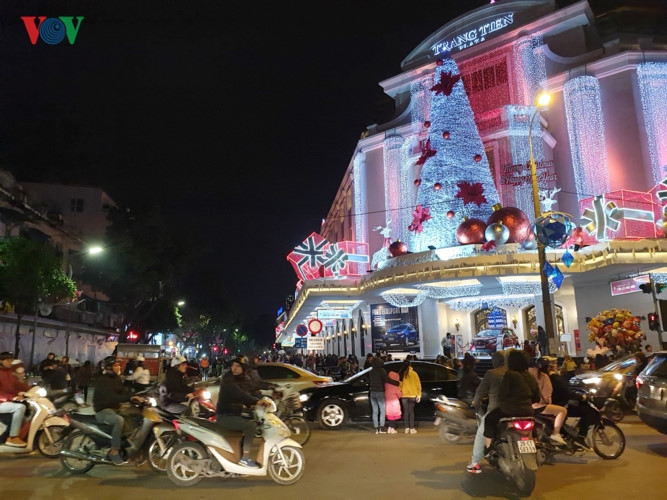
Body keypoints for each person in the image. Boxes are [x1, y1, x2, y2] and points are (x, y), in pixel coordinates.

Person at [215, 357, 271, 468]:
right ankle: (245, 458)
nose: (234, 368)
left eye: (238, 366)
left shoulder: (240, 379)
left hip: (234, 413)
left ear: (243, 368)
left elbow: (251, 388)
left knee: (251, 420)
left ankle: (238, 457)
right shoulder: (228, 380)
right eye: (233, 366)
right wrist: (256, 401)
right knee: (251, 426)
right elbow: (239, 394)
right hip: (225, 416)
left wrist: (267, 392)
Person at [483, 350, 540, 450]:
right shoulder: (530, 376)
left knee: (489, 419)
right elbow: (536, 397)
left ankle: (488, 447)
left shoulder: (510, 374)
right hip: (527, 411)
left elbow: (502, 393)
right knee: (533, 425)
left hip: (509, 410)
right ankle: (535, 441)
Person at [467, 350, 506, 474]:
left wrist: (475, 402)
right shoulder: (513, 372)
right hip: (514, 408)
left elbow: (481, 391)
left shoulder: (491, 373)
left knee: (481, 434)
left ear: (494, 362)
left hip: (495, 409)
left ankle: (475, 463)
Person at [92, 356, 134, 464]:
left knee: (133, 418)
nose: (118, 367)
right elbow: (112, 397)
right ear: (109, 367)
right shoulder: (103, 380)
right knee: (118, 420)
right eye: (116, 365)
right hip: (103, 411)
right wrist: (128, 398)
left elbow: (123, 392)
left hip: (115, 408)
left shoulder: (117, 378)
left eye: (118, 365)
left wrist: (136, 396)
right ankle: (114, 450)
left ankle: (130, 448)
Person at [548, 358, 599, 446]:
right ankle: (581, 437)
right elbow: (565, 392)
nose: (556, 365)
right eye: (554, 363)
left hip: (549, 404)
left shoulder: (544, 376)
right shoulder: (554, 378)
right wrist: (580, 397)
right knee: (587, 411)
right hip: (559, 404)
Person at [528, 358, 567, 445]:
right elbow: (547, 395)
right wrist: (548, 402)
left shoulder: (523, 376)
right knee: (562, 411)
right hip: (539, 406)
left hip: (525, 407)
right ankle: (555, 433)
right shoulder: (543, 377)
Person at [0, 352, 30, 447]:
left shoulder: (9, 372)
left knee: (27, 408)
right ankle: (13, 437)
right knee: (20, 408)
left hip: (6, 401)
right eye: (7, 360)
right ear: (1, 361)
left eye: (11, 360)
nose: (10, 362)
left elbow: (16, 385)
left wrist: (31, 389)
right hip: (1, 402)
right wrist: (13, 397)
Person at [369, 356, 399, 434]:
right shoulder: (381, 370)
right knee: (382, 410)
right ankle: (382, 428)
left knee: (375, 411)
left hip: (372, 392)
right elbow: (387, 379)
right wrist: (396, 383)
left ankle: (376, 429)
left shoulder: (371, 371)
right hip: (380, 391)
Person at [398, 358, 422, 434]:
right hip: (412, 395)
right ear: (410, 365)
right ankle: (412, 428)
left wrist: (400, 392)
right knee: (411, 412)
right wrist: (419, 395)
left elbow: (400, 385)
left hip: (404, 396)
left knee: (406, 412)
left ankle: (406, 428)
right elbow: (418, 385)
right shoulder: (414, 374)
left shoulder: (401, 374)